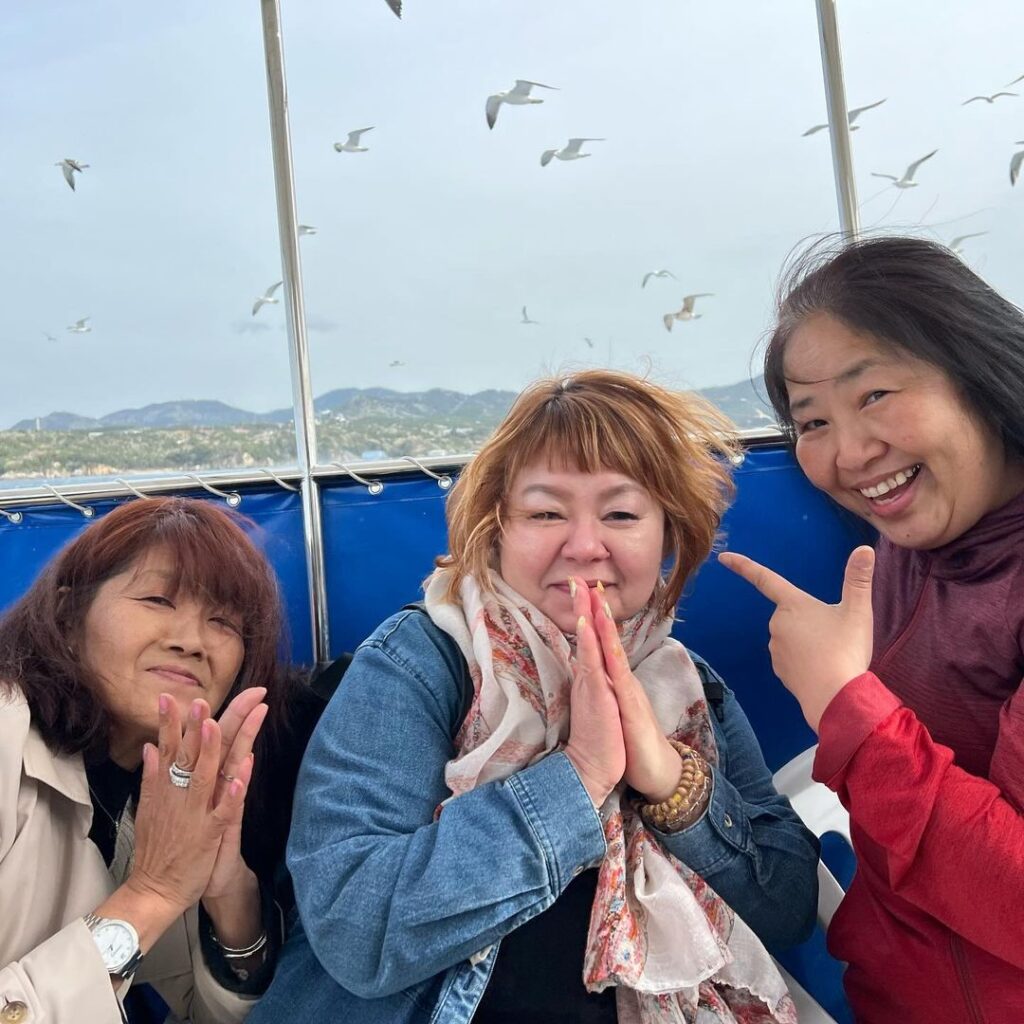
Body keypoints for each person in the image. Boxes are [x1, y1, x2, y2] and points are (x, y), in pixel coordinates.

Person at [251, 369, 819, 1024]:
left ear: (668, 535)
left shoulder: (684, 685)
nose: (583, 546)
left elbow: (790, 903)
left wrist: (669, 781)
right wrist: (578, 778)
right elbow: (358, 930)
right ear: (495, 531)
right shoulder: (419, 663)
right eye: (546, 512)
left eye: (622, 514)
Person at [720, 236, 1024, 1023]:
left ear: (980, 372)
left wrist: (845, 704)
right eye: (811, 420)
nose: (850, 453)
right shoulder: (916, 534)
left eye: (876, 394)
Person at [0, 496, 297, 1023]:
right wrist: (150, 897)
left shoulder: (159, 792)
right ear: (68, 616)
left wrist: (228, 894)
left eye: (224, 621)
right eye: (158, 599)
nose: (192, 641)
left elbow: (202, 1012)